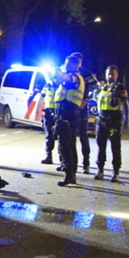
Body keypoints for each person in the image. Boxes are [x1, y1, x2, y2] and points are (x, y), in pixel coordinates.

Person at [53, 53, 86, 187]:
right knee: (70, 144)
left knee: (64, 144)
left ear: (74, 65)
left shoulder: (75, 76)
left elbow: (64, 78)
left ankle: (69, 174)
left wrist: (57, 71)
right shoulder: (73, 76)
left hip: (68, 112)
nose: (65, 66)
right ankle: (71, 174)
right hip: (66, 112)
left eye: (68, 63)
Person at [94, 65, 129, 182]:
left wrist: (127, 119)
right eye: (108, 73)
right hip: (101, 120)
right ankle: (100, 170)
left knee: (115, 147)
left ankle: (116, 172)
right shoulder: (102, 87)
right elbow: (95, 98)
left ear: (116, 75)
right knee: (101, 147)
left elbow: (125, 104)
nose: (110, 76)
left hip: (114, 120)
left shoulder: (120, 87)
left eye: (112, 74)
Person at [68, 51, 99, 174]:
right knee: (69, 137)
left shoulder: (86, 73)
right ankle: (68, 163)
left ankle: (86, 163)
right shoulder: (69, 73)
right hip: (70, 108)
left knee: (83, 137)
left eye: (78, 61)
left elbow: (96, 86)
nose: (76, 64)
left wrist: (86, 99)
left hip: (82, 109)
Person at [40, 70, 60, 165]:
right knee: (49, 136)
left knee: (60, 137)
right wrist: (39, 110)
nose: (55, 76)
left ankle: (62, 159)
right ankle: (48, 156)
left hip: (58, 113)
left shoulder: (62, 85)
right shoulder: (48, 85)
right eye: (54, 75)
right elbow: (42, 96)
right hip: (48, 112)